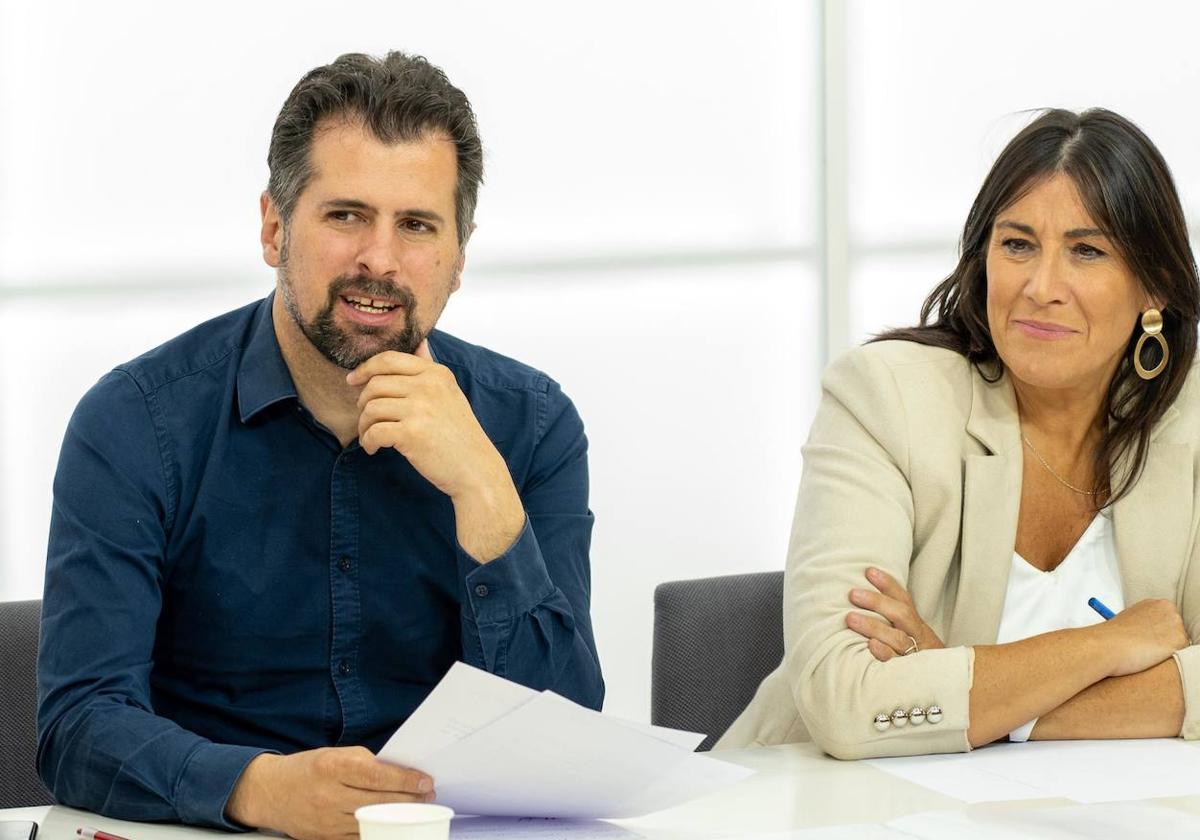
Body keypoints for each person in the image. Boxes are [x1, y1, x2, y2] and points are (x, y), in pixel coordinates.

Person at [36, 51, 604, 837]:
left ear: (459, 259)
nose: (380, 258)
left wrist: (484, 493)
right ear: (274, 228)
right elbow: (79, 724)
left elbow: (568, 745)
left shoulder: (530, 426)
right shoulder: (135, 423)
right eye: (346, 215)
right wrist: (253, 788)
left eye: (416, 225)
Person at [717, 108, 1200, 759]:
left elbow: (915, 698)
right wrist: (1107, 647)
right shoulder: (885, 398)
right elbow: (845, 698)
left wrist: (982, 696)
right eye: (1018, 244)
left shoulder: (1189, 417)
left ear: (1156, 286)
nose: (1041, 286)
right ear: (983, 258)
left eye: (1087, 251)